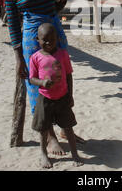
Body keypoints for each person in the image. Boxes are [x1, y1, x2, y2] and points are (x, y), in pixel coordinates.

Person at [4, 0, 85, 150]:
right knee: (40, 86)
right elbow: (13, 24)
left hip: (55, 31)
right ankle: (48, 136)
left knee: (63, 79)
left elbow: (55, 6)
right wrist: (18, 57)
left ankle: (65, 128)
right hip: (32, 39)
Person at [29, 23, 83, 168]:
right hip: (45, 98)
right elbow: (31, 78)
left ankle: (75, 154)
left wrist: (70, 95)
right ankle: (43, 154)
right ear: (37, 39)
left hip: (63, 97)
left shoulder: (63, 54)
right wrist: (42, 82)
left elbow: (68, 75)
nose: (48, 43)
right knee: (43, 129)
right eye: (44, 40)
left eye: (51, 39)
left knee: (68, 127)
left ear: (57, 39)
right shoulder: (35, 57)